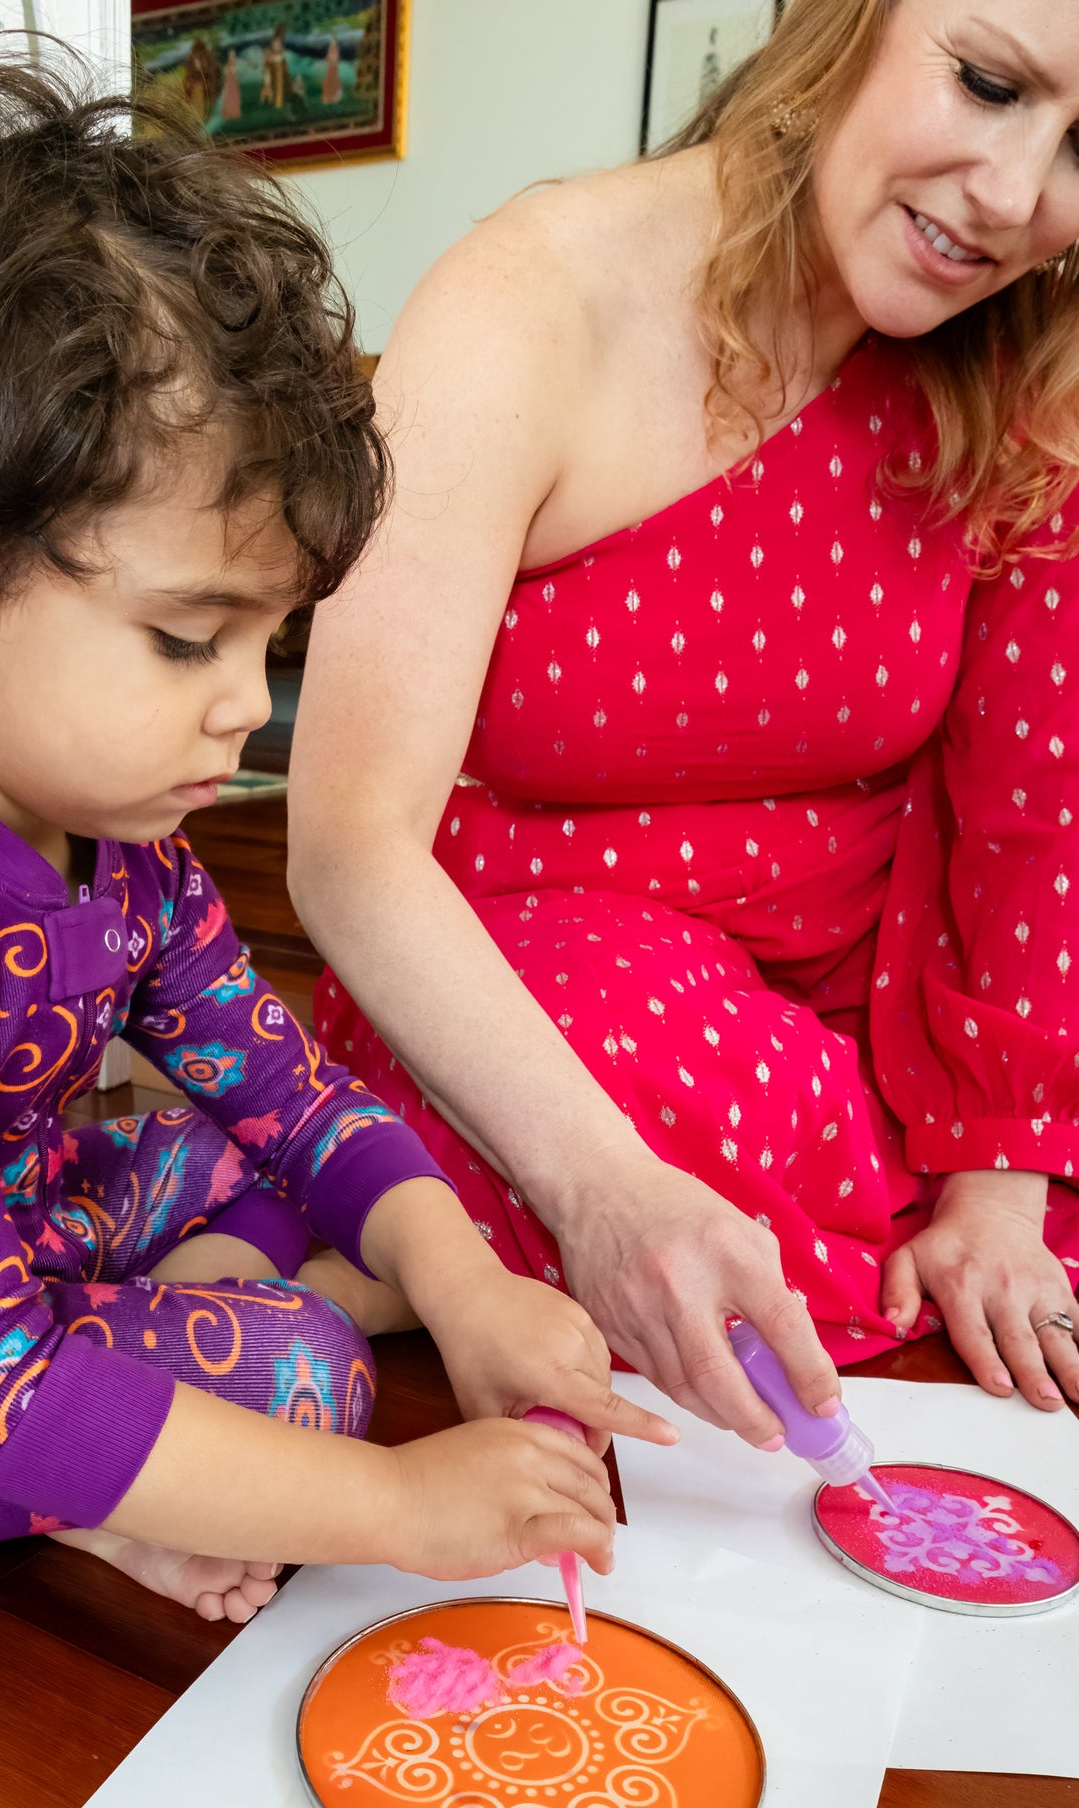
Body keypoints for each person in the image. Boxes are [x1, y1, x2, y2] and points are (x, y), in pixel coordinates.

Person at [0, 60, 675, 1617]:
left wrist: (460, 1286)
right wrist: (396, 1503)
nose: (240, 714)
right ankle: (108, 1480)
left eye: (267, 644)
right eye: (188, 640)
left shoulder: (121, 842)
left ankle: (131, 1420)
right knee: (304, 1371)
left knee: (318, 1161)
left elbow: (285, 1093)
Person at [290, 0, 1079, 1454]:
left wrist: (996, 1182)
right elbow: (345, 841)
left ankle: (397, 1255)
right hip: (559, 992)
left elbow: (1038, 812)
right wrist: (600, 1185)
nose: (1018, 200)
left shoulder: (1034, 359)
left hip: (880, 1002)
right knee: (629, 1061)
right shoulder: (527, 299)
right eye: (983, 85)